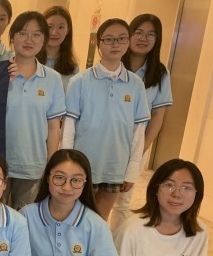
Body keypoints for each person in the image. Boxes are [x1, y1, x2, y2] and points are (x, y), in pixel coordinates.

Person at [61, 18, 150, 221]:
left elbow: (138, 132)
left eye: (121, 39)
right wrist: (67, 162)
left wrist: (132, 170)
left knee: (101, 220)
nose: (115, 44)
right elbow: (69, 127)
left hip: (116, 164)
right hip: (83, 164)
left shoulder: (135, 84)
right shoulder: (80, 81)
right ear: (98, 43)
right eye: (109, 39)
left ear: (128, 43)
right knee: (76, 217)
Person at [110, 13, 173, 232]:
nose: (143, 38)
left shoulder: (160, 73)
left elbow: (158, 115)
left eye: (150, 34)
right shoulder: (113, 63)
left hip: (137, 144)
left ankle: (115, 250)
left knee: (122, 201)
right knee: (96, 195)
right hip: (105, 142)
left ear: (157, 40)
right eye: (138, 32)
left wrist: (140, 149)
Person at [6, 11, 65, 210]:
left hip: (33, 165)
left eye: (37, 34)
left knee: (26, 220)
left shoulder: (53, 78)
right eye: (22, 33)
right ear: (12, 36)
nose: (29, 40)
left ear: (44, 40)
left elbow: (54, 126)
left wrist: (51, 165)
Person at [36, 6, 79, 92]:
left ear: (67, 30)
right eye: (49, 27)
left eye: (61, 27)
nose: (54, 32)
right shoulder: (31, 59)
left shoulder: (72, 67)